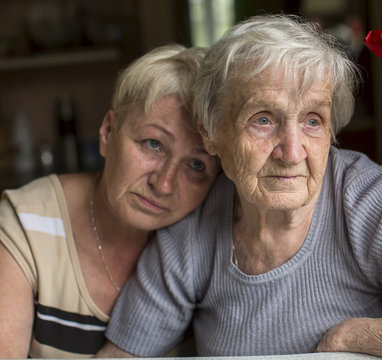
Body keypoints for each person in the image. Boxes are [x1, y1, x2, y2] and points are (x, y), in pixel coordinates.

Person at [98, 15, 382, 360]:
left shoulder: (364, 197)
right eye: (263, 118)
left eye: (313, 120)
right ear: (212, 133)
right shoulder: (195, 221)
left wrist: (348, 339)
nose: (292, 150)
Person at [0, 44, 219, 358]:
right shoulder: (26, 225)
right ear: (106, 132)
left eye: (197, 165)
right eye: (153, 143)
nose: (164, 184)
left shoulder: (213, 241)